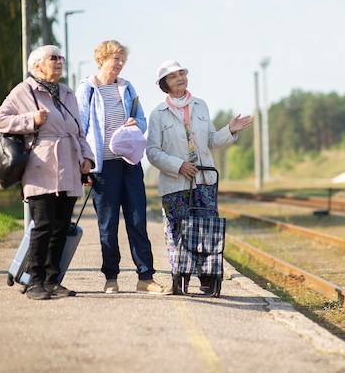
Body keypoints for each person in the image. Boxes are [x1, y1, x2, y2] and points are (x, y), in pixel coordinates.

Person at [0, 45, 95, 300]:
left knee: (61, 227)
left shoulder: (68, 93)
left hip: (70, 166)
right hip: (41, 167)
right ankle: (35, 281)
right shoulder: (24, 90)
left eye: (61, 57)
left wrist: (88, 158)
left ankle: (52, 281)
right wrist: (30, 120)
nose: (60, 61)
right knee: (44, 225)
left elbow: (78, 131)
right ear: (37, 65)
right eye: (53, 58)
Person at [146, 60, 253, 293]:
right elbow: (152, 152)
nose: (180, 78)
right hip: (175, 184)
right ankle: (180, 275)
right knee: (178, 232)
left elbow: (211, 140)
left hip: (204, 181)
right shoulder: (158, 114)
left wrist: (230, 130)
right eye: (173, 76)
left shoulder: (200, 105)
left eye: (182, 74)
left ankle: (207, 277)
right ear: (165, 84)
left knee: (206, 230)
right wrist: (179, 165)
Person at [75, 40, 169, 295]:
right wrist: (84, 165)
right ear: (101, 60)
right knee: (108, 224)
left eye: (122, 60)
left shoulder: (127, 88)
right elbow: (80, 126)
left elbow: (141, 118)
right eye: (114, 59)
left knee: (138, 219)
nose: (119, 64)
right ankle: (111, 277)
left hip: (130, 162)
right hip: (103, 166)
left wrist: (134, 123)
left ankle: (146, 277)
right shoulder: (88, 89)